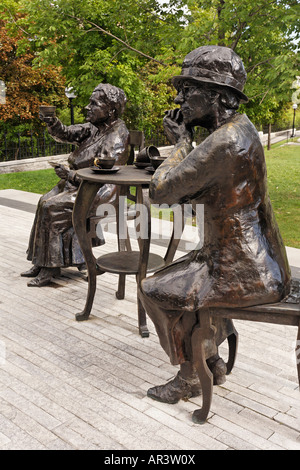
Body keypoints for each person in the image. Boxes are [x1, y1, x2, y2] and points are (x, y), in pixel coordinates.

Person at [140, 45, 291, 404]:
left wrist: (179, 141)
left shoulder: (224, 142)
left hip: (241, 269)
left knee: (153, 290)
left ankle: (189, 375)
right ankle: (210, 360)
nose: (179, 98)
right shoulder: (239, 128)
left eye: (188, 89)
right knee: (180, 279)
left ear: (217, 96)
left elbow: (160, 191)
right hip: (252, 261)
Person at [21, 83, 129, 287]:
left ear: (110, 110)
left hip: (99, 191)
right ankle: (41, 260)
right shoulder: (94, 127)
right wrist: (52, 122)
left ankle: (49, 267)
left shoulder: (117, 134)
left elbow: (105, 173)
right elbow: (67, 133)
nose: (87, 108)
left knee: (51, 208)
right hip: (78, 185)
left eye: (93, 104)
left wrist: (70, 175)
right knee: (43, 200)